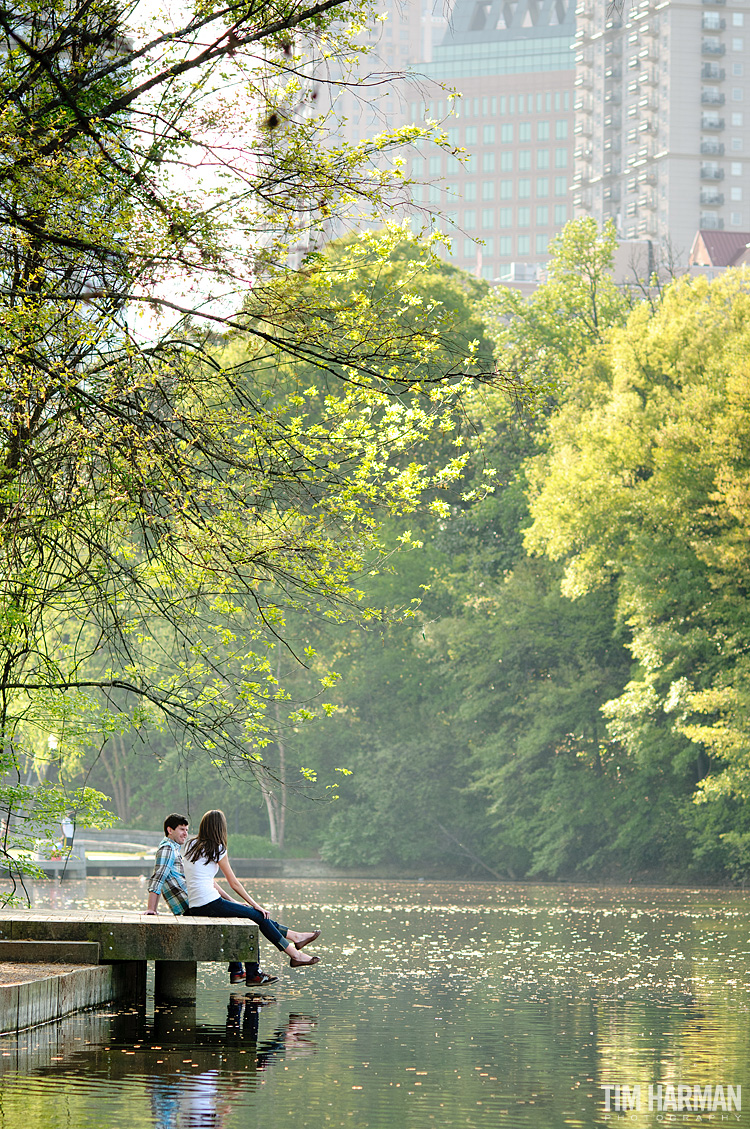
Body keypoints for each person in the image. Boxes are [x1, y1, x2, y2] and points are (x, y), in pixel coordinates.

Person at [145, 813, 280, 987]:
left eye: (187, 830)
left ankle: (238, 971)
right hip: (190, 906)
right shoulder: (167, 850)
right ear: (169, 830)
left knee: (238, 915)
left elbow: (207, 881)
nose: (185, 834)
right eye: (181, 830)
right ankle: (256, 970)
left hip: (195, 903)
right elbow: (158, 878)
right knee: (252, 916)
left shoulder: (179, 849)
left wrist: (232, 901)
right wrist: (151, 909)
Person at [181, 809, 320, 970]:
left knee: (252, 914)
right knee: (258, 915)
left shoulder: (191, 845)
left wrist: (233, 902)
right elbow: (234, 883)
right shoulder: (217, 849)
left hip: (197, 906)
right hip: (210, 903)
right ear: (221, 828)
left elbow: (206, 881)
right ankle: (295, 954)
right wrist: (256, 905)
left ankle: (296, 937)